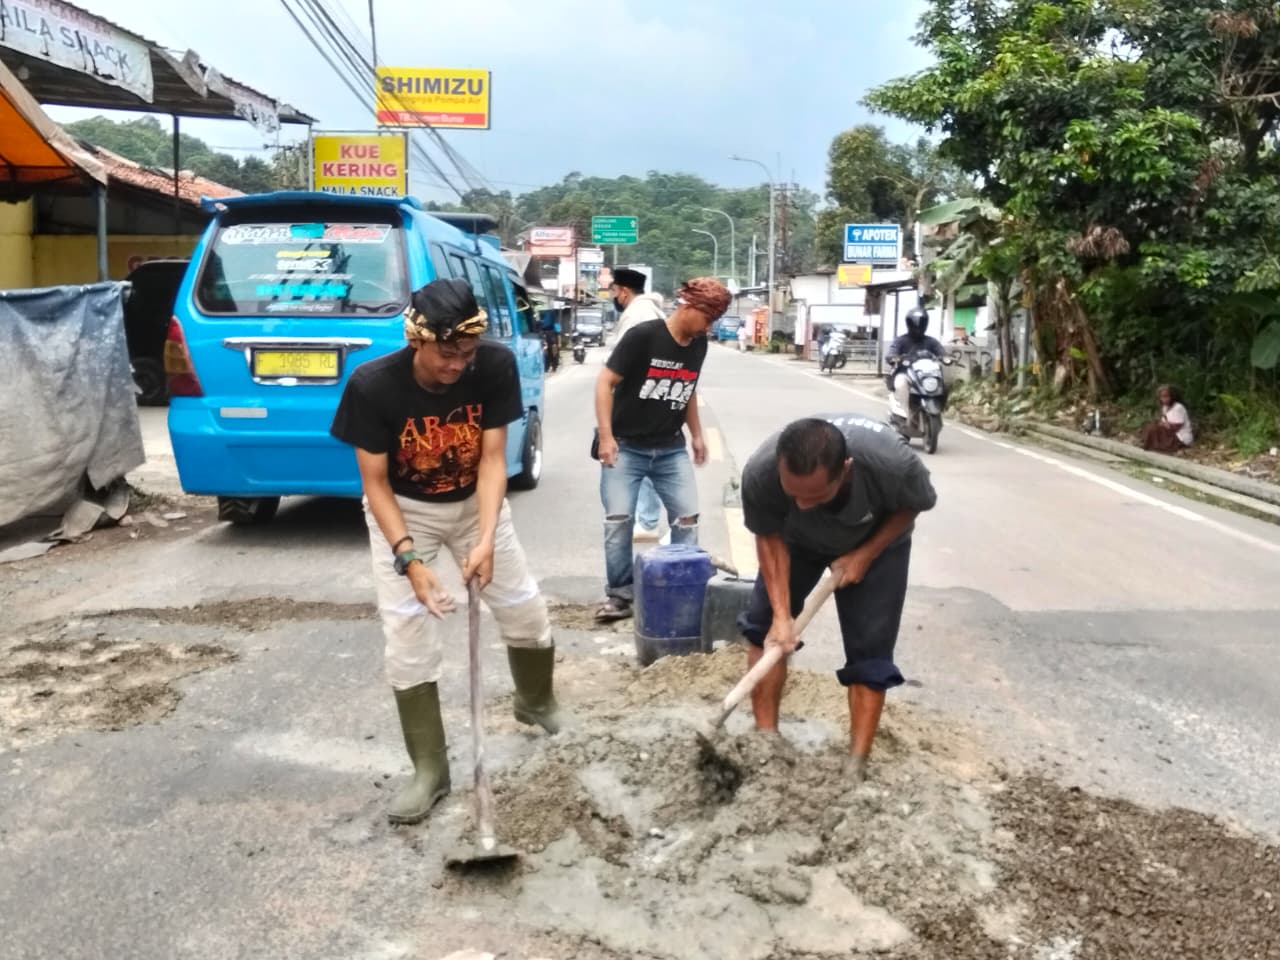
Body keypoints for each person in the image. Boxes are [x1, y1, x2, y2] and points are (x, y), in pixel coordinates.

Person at [330, 278, 560, 825]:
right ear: (417, 339)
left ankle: (537, 702)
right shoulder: (372, 386)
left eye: (468, 352)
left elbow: (491, 459)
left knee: (524, 606)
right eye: (447, 353)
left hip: (475, 506)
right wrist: (410, 561)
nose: (459, 364)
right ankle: (430, 769)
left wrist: (482, 540)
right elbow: (376, 484)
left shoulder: (495, 367)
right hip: (407, 512)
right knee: (407, 632)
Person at [738, 415, 938, 782]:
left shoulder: (891, 464)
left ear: (845, 470)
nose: (801, 503)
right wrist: (782, 616)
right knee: (764, 628)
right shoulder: (761, 472)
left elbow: (914, 504)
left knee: (871, 652)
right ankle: (767, 741)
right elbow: (768, 536)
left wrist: (866, 553)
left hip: (875, 542)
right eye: (792, 493)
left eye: (813, 496)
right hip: (795, 543)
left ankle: (855, 766)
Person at [594, 276, 732, 621]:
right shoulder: (644, 337)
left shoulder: (698, 345)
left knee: (687, 519)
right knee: (619, 519)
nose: (708, 327)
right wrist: (607, 437)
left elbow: (687, 391)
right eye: (708, 318)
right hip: (626, 446)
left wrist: (697, 435)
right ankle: (621, 594)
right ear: (689, 307)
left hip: (670, 449)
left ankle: (678, 588)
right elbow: (604, 382)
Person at [612, 267, 668, 540]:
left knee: (640, 460)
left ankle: (647, 521)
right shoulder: (653, 311)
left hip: (639, 397)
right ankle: (647, 518)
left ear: (623, 291)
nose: (614, 296)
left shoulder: (637, 314)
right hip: (654, 394)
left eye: (614, 290)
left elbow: (621, 362)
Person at [886, 306, 945, 413]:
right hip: (906, 374)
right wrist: (895, 357)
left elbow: (941, 351)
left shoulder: (931, 341)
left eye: (921, 323)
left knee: (942, 385)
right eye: (915, 323)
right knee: (901, 384)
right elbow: (891, 353)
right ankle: (903, 412)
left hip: (925, 375)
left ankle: (940, 408)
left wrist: (945, 357)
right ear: (909, 323)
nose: (918, 326)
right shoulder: (901, 340)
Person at [1141, 384, 1194, 453]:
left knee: (1156, 428)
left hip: (1180, 436)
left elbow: (1176, 427)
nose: (1164, 399)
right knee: (1152, 426)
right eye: (1162, 397)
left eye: (1166, 396)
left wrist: (1164, 425)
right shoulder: (1165, 407)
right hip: (1169, 432)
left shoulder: (1178, 407)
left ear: (1172, 396)